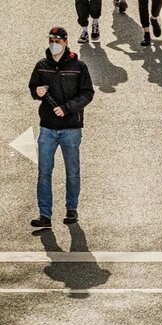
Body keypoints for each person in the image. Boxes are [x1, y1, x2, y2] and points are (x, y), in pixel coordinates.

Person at [28, 27, 95, 228]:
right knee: (44, 171)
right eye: (51, 39)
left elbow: (87, 93)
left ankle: (71, 210)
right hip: (47, 128)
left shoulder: (78, 66)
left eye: (57, 40)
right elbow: (33, 87)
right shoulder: (41, 65)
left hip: (71, 128)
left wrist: (66, 109)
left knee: (72, 171)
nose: (53, 43)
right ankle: (45, 215)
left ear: (65, 42)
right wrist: (36, 91)